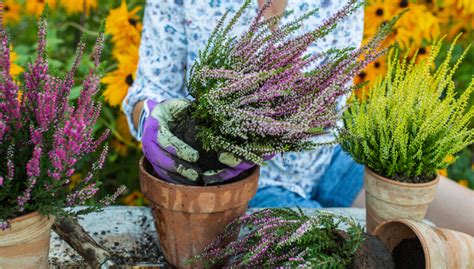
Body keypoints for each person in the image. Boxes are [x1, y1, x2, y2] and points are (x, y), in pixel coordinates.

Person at [123, 0, 474, 235]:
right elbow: (147, 91)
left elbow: (331, 98)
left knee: (465, 222)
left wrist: (280, 128)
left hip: (328, 159)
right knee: (351, 252)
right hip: (232, 181)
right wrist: (151, 122)